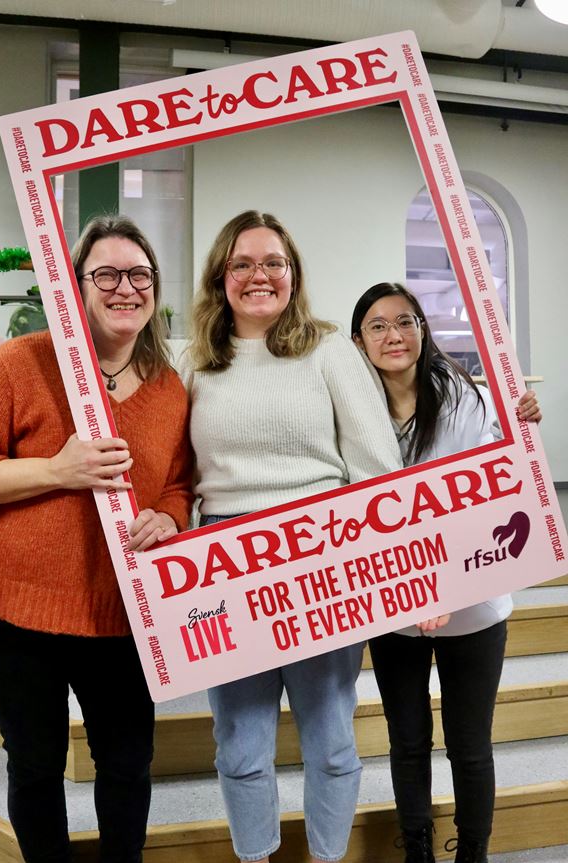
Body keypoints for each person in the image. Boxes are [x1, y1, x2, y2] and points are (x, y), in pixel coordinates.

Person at [0, 214, 194, 863]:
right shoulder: (21, 362)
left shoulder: (169, 387)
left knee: (128, 763)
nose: (125, 288)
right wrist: (57, 470)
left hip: (119, 611)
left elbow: (179, 483)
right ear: (75, 285)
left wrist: (170, 517)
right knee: (37, 763)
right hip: (11, 609)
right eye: (106, 274)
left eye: (139, 274)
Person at [179, 211, 403, 863]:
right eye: (243, 263)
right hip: (224, 561)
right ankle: (256, 856)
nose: (260, 275)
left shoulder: (329, 349)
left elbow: (376, 465)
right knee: (239, 744)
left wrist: (385, 565)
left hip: (321, 552)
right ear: (220, 276)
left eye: (274, 262)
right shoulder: (194, 360)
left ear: (293, 274)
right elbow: (174, 472)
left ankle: (327, 857)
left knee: (330, 739)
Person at [351, 282, 541, 863]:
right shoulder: (351, 412)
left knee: (469, 744)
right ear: (359, 341)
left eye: (405, 321)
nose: (393, 335)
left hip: (474, 604)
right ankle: (418, 849)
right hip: (394, 607)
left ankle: (472, 852)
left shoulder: (465, 399)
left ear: (423, 330)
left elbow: (485, 494)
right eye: (378, 325)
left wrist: (522, 423)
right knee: (407, 741)